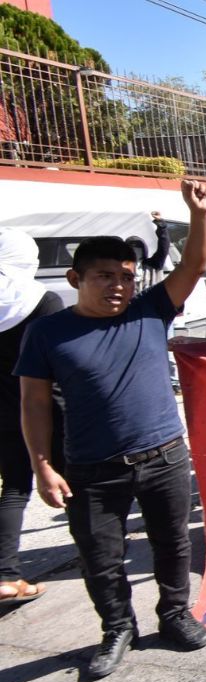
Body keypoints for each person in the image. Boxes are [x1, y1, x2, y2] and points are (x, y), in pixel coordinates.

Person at [16, 180, 206, 679]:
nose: (118, 286)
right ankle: (116, 628)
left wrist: (199, 214)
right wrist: (42, 466)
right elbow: (34, 403)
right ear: (75, 277)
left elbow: (191, 266)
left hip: (165, 456)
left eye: (126, 276)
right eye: (105, 276)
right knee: (102, 558)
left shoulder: (150, 310)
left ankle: (174, 615)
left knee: (173, 545)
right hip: (91, 469)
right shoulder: (47, 332)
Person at [0, 228, 64, 606]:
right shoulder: (40, 300)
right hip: (48, 411)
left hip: (3, 414)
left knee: (14, 487)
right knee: (80, 479)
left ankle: (6, 575)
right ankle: (99, 554)